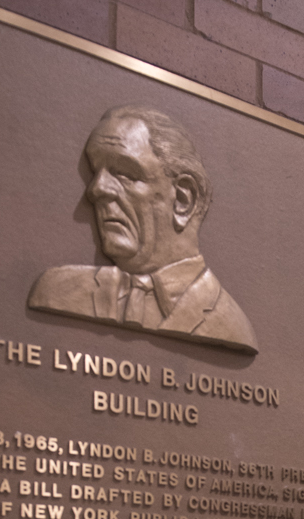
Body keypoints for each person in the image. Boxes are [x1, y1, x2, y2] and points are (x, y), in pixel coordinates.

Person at [28, 106, 257, 353]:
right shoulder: (57, 292)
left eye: (124, 173)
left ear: (183, 200)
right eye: (95, 172)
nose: (96, 189)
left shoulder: (231, 326)